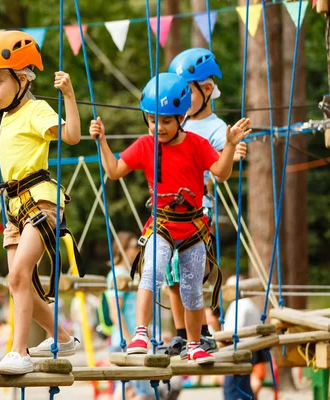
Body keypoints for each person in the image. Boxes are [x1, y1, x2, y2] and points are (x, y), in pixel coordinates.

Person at [89, 72, 251, 364]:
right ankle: (141, 333)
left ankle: (194, 344)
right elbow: (113, 171)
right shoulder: (144, 145)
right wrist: (101, 140)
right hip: (161, 223)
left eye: (165, 121)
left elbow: (222, 174)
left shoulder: (197, 144)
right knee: (152, 270)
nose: (158, 127)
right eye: (152, 120)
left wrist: (228, 145)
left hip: (193, 227)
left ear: (181, 118)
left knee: (191, 289)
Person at [0, 30, 82, 375]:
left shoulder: (37, 109)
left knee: (20, 275)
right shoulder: (6, 115)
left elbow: (71, 136)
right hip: (14, 209)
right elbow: (10, 128)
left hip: (41, 204)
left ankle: (18, 351)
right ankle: (63, 337)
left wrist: (68, 95)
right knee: (18, 283)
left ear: (22, 79)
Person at [157, 48, 248, 358]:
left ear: (207, 89)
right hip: (167, 210)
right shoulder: (175, 125)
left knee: (187, 276)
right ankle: (183, 334)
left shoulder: (215, 129)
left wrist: (231, 153)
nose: (179, 99)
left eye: (186, 92)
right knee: (170, 277)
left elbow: (222, 168)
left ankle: (202, 333)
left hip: (196, 211)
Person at [106, 231, 152, 400]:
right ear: (122, 249)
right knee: (144, 393)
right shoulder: (118, 275)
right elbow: (115, 312)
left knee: (127, 388)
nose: (139, 250)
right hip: (125, 341)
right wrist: (129, 339)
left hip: (132, 341)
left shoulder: (131, 274)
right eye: (134, 246)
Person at [222, 275, 268, 400]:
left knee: (232, 390)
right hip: (250, 353)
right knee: (244, 388)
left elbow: (231, 332)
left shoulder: (239, 305)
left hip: (237, 354)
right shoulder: (251, 306)